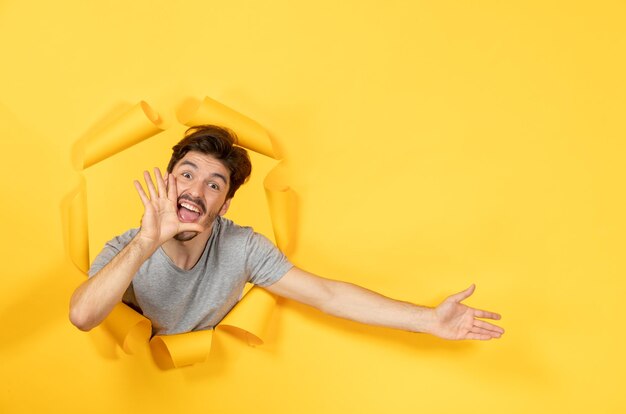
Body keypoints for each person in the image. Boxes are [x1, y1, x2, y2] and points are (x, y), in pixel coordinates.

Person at [69, 125, 505, 341]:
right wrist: (146, 243)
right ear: (168, 182)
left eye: (214, 184)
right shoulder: (127, 249)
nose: (195, 191)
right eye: (186, 174)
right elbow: (83, 316)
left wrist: (428, 319)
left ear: (225, 204)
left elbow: (328, 295)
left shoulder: (240, 246)